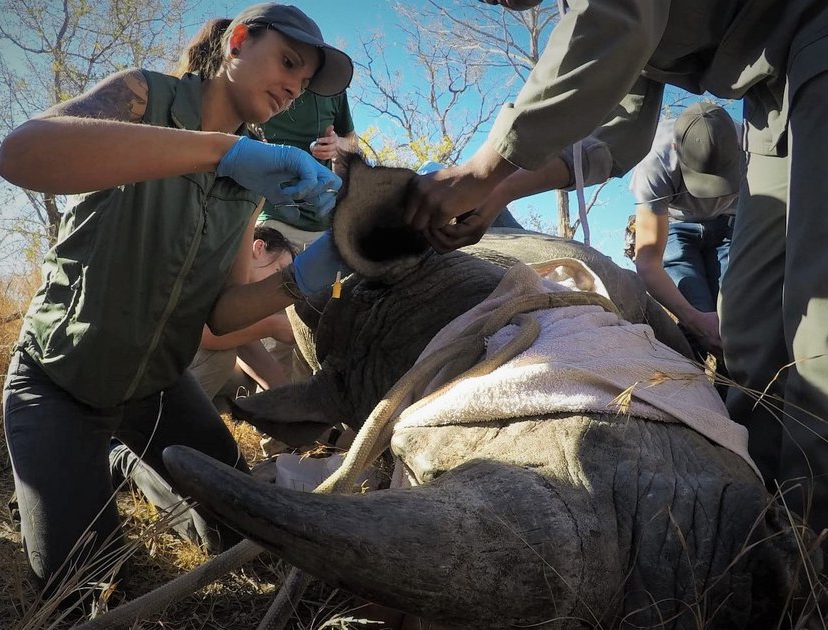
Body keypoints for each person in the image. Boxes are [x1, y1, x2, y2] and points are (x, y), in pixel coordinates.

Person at [404, 0, 828, 539]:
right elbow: (621, 131)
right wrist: (499, 188)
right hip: (769, 92)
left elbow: (617, 20)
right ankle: (759, 518)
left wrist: (484, 166)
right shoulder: (658, 173)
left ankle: (817, 535)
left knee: (817, 309)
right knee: (749, 324)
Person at [0, 3, 352, 602]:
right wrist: (219, 150)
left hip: (157, 390)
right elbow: (22, 154)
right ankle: (102, 466)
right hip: (61, 384)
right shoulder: (143, 96)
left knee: (244, 533)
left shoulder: (253, 175)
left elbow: (221, 314)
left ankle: (128, 464)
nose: (293, 88)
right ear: (239, 41)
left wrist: (309, 276)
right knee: (86, 587)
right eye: (288, 63)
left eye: (304, 82)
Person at [629, 103, 740, 365]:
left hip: (731, 225)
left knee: (734, 317)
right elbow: (648, 263)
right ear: (677, 150)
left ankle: (738, 396)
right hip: (676, 228)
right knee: (698, 309)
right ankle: (688, 386)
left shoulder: (752, 147)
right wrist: (694, 319)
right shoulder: (653, 160)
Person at [188, 225, 298, 407]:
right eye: (279, 271)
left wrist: (290, 404)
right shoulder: (217, 263)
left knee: (244, 382)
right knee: (220, 359)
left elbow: (250, 349)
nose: (279, 285)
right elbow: (200, 335)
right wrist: (271, 326)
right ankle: (161, 430)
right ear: (259, 248)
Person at [256, 89, 358, 248]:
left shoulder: (335, 86)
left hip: (323, 227)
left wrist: (337, 144)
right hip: (273, 217)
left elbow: (352, 141)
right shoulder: (267, 79)